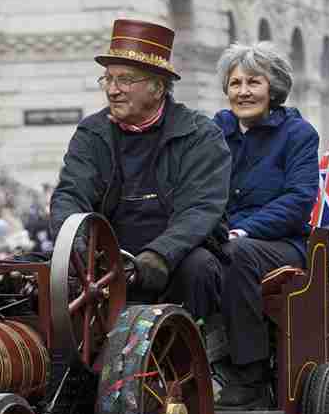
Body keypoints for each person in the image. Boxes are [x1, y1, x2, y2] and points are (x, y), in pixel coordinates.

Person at [49, 18, 231, 319]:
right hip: (105, 257)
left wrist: (158, 256)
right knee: (32, 272)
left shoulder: (200, 135)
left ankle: (199, 360)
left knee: (199, 270)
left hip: (175, 256)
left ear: (158, 87)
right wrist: (76, 246)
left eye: (125, 80)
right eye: (107, 79)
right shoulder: (91, 133)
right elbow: (70, 194)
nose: (113, 90)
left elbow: (199, 210)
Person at [210, 42, 319, 408]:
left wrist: (247, 229)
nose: (243, 92)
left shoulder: (298, 134)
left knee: (237, 254)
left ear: (273, 89)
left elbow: (299, 199)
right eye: (235, 83)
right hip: (223, 237)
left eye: (253, 82)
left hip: (282, 244)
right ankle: (204, 359)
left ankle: (250, 376)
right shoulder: (214, 132)